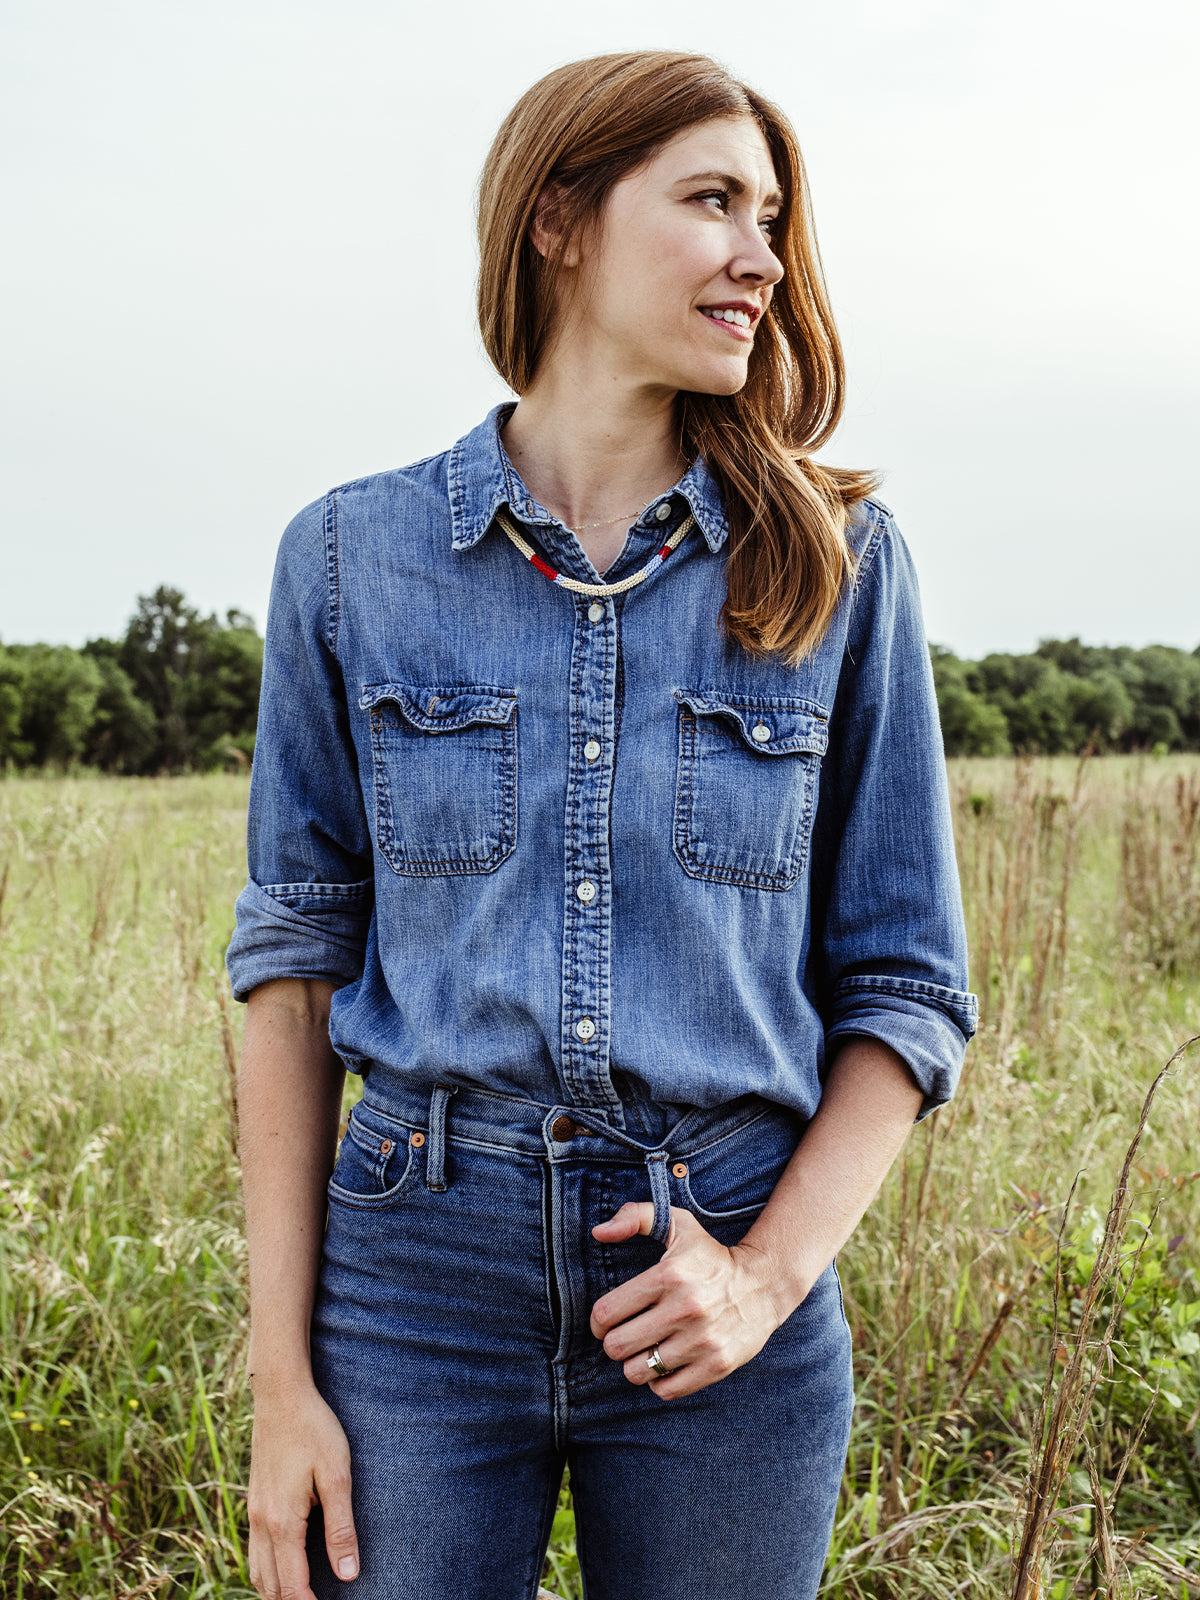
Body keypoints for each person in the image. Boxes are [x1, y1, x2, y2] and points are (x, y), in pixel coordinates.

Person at [226, 49, 977, 1600]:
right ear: (558, 219)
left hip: (722, 1279)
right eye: (712, 202)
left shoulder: (841, 564)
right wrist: (280, 1382)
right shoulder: (353, 559)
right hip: (412, 1282)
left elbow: (906, 990)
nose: (763, 256)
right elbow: (292, 972)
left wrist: (766, 1282)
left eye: (772, 217)